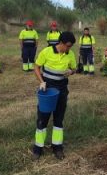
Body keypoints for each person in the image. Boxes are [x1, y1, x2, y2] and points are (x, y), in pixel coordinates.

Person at [32, 31, 77, 160]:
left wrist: (71, 71)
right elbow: (36, 67)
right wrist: (41, 82)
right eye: (67, 46)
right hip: (48, 89)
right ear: (61, 43)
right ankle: (38, 149)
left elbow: (74, 69)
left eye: (70, 47)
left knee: (58, 119)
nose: (68, 49)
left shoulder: (70, 54)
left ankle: (57, 147)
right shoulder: (46, 52)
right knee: (42, 119)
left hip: (62, 90)